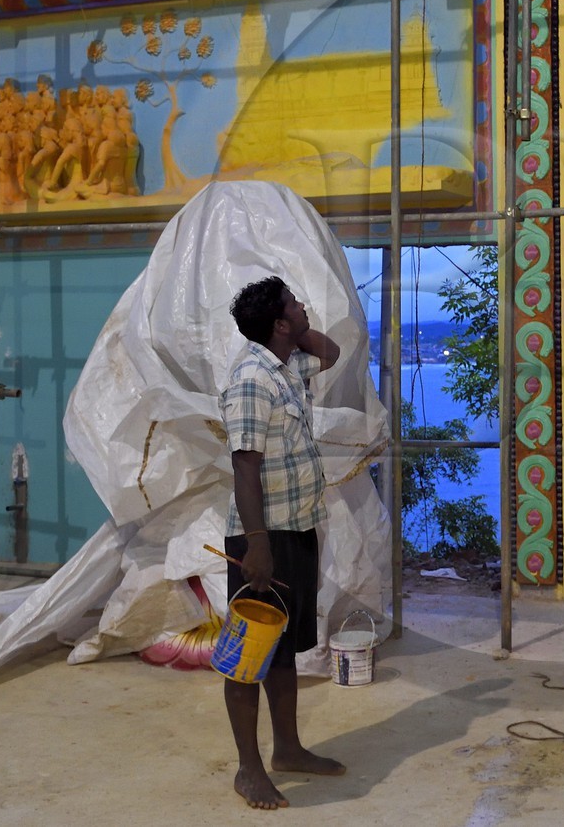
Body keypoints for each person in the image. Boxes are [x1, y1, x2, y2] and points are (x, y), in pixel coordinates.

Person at [220, 276, 344, 810]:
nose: (303, 306)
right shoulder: (252, 378)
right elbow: (244, 467)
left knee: (286, 648)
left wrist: (299, 329)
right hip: (263, 537)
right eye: (294, 303)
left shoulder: (287, 365)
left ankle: (288, 749)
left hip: (296, 527)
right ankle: (249, 770)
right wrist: (256, 545)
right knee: (250, 655)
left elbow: (332, 351)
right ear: (277, 322)